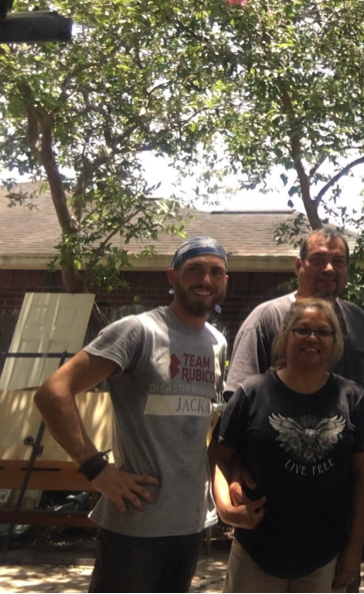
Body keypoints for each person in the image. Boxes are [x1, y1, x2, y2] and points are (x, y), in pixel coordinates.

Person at [34, 237, 229, 593]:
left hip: (191, 523)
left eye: (216, 272)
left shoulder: (217, 342)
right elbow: (53, 392)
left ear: (225, 281)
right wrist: (96, 469)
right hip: (136, 525)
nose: (206, 280)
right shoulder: (138, 331)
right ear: (172, 276)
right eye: (195, 270)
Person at [217, 226, 364, 534]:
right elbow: (235, 407)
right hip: (271, 504)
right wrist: (236, 464)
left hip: (339, 507)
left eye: (338, 261)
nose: (329, 268)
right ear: (299, 266)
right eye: (318, 259)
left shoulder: (359, 322)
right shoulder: (266, 319)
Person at [211, 298, 364, 593]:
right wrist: (225, 510)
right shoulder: (252, 393)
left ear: (335, 342)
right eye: (302, 330)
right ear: (285, 336)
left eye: (323, 332)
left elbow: (362, 476)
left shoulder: (351, 398)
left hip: (325, 556)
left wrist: (354, 549)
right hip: (256, 551)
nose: (312, 338)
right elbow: (218, 455)